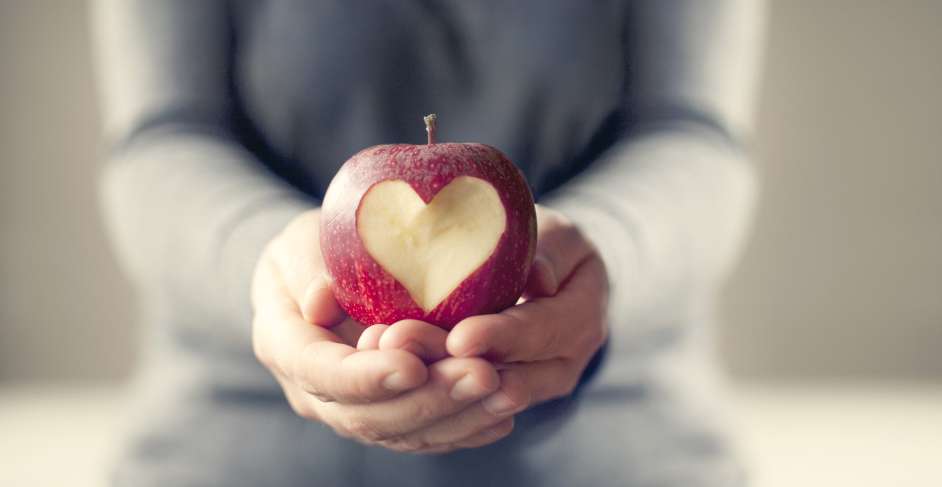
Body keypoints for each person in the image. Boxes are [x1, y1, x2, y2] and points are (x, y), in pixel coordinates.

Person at [92, 1, 763, 485]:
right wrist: (271, 274)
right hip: (237, 454)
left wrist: (597, 262)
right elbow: (165, 139)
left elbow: (689, 133)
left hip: (618, 452)